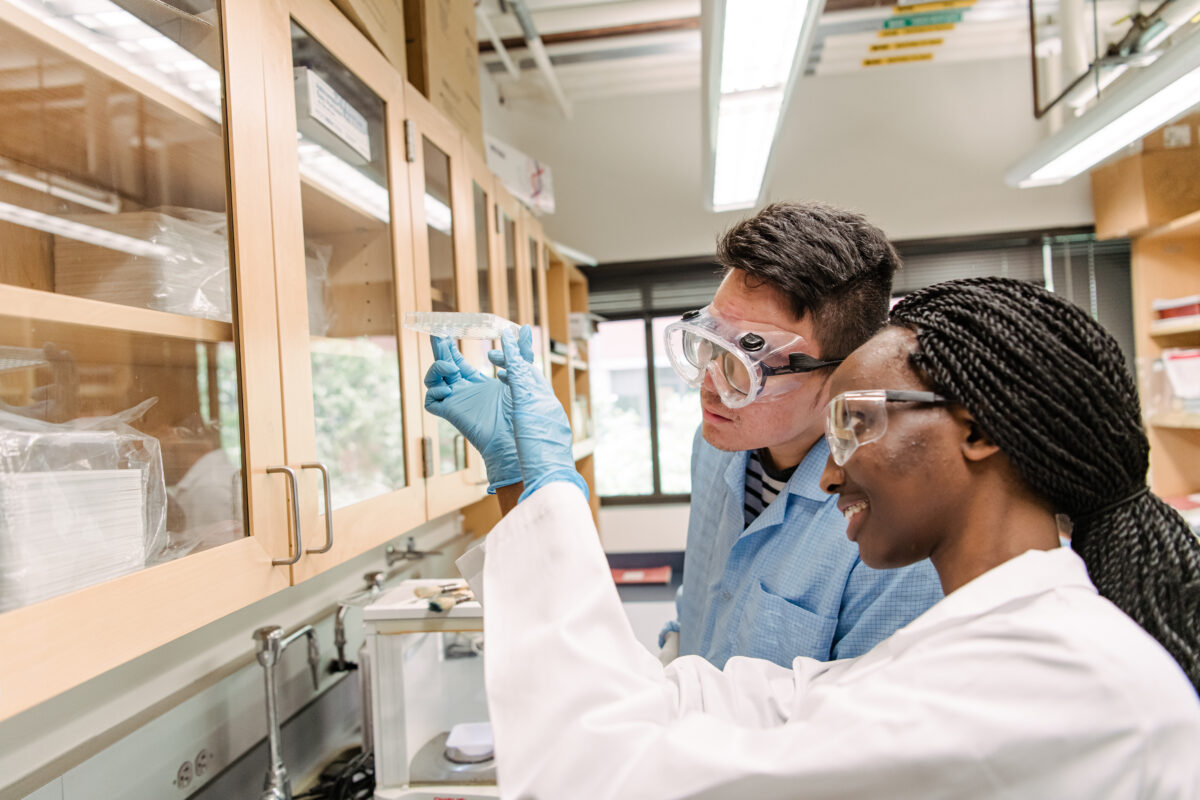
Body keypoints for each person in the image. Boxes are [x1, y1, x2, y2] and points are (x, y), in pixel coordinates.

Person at [427, 278, 1200, 799]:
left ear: (978, 427)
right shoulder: (992, 642)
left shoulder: (1058, 681)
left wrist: (554, 486)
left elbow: (608, 778)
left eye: (856, 422)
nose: (830, 476)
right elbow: (729, 699)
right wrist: (527, 485)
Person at [659, 202, 941, 668]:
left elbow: (863, 724)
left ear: (844, 372)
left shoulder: (892, 528)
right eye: (710, 343)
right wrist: (679, 645)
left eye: (746, 364)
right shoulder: (714, 445)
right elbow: (717, 580)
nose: (710, 384)